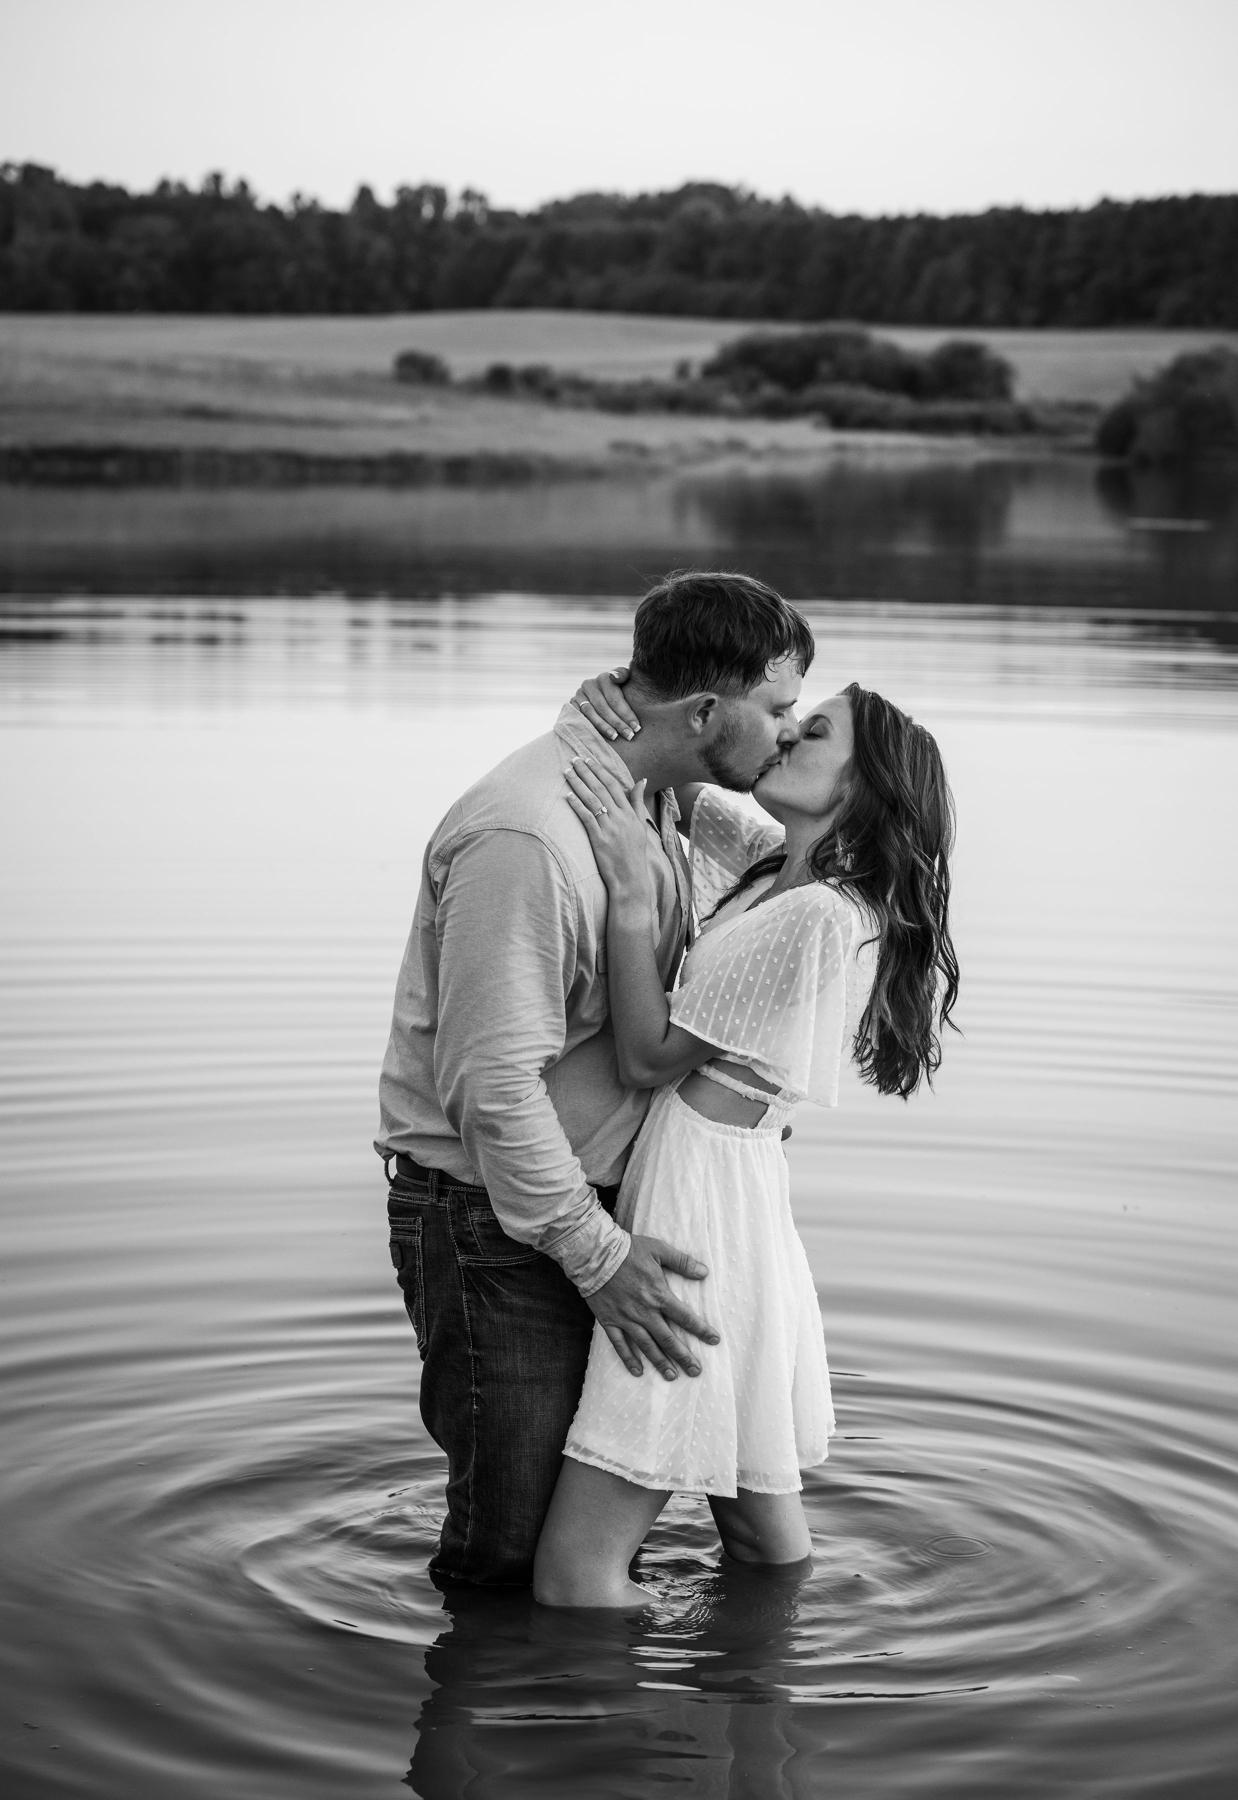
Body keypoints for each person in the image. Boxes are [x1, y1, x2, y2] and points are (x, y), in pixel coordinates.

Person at [376, 570, 816, 1587]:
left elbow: (799, 863)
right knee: (509, 1558)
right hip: (501, 1229)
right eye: (778, 709)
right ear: (701, 712)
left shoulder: (656, 793)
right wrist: (598, 1257)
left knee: (574, 1549)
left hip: (596, 1216)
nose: (789, 732)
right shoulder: (530, 835)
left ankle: (571, 1687)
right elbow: (492, 1086)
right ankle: (500, 1688)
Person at [532, 673, 959, 1608]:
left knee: (573, 1577)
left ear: (861, 788)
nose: (787, 735)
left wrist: (633, 900)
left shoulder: (819, 913)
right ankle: (768, 1673)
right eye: (791, 718)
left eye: (815, 732)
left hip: (701, 1207)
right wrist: (610, 698)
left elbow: (648, 1057)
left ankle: (604, 1705)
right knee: (763, 1540)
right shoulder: (777, 863)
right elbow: (684, 772)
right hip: (727, 1185)